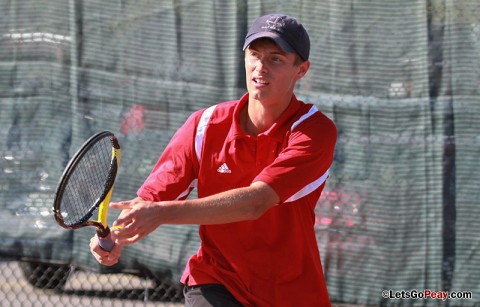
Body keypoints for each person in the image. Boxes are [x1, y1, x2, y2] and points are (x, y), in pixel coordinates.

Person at [90, 13, 337, 307]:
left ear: (301, 69)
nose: (260, 67)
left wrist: (160, 213)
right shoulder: (204, 125)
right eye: (254, 55)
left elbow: (256, 202)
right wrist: (116, 234)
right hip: (216, 280)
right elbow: (154, 197)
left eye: (276, 59)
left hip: (293, 293)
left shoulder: (314, 131)